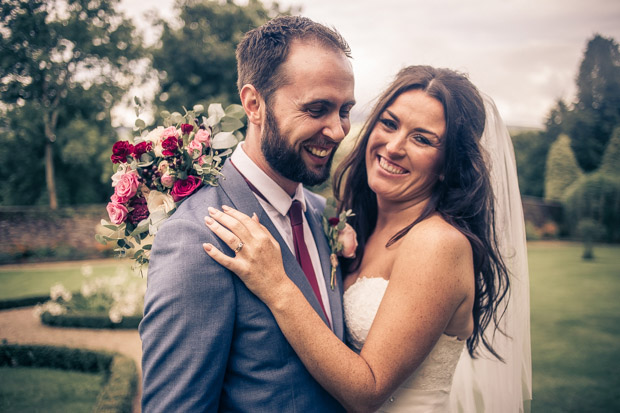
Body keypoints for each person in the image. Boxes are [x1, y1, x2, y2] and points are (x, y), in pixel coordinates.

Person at [203, 65, 532, 412]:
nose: (393, 146)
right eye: (389, 124)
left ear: (449, 163)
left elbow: (367, 390)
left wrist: (277, 285)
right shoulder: (358, 226)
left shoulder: (437, 243)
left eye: (422, 138)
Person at [139, 16, 355, 412]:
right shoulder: (195, 235)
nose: (338, 131)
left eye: (344, 110)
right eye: (317, 109)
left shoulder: (323, 216)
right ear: (254, 104)